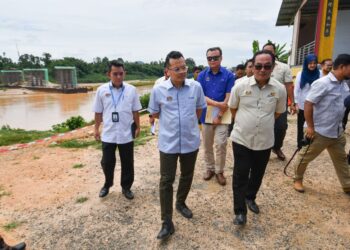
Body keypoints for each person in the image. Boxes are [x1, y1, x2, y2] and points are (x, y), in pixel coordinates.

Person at [148, 51, 206, 240]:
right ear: (168, 71)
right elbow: (155, 114)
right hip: (168, 143)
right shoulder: (158, 90)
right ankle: (166, 222)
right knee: (166, 181)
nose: (182, 71)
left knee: (187, 175)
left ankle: (180, 203)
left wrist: (187, 125)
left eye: (184, 67)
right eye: (177, 68)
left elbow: (199, 110)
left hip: (190, 141)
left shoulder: (196, 87)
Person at [229, 50, 286, 225]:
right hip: (242, 139)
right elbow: (233, 109)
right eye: (258, 66)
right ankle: (240, 211)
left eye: (267, 66)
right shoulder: (240, 86)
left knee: (258, 173)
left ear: (273, 67)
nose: (262, 69)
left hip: (265, 140)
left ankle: (250, 197)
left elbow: (277, 113)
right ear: (252, 67)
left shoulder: (279, 89)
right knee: (240, 174)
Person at [293, 54, 350, 194]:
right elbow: (308, 104)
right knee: (305, 157)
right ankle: (297, 179)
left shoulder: (344, 84)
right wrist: (310, 127)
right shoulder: (323, 83)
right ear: (342, 67)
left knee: (341, 159)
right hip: (320, 131)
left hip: (336, 131)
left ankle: (347, 185)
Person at [93, 61, 142, 199]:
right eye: (115, 74)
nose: (119, 77)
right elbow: (98, 112)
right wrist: (96, 128)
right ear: (109, 74)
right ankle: (107, 184)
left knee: (128, 162)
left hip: (126, 133)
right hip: (108, 134)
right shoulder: (101, 90)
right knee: (107, 162)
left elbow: (135, 111)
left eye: (121, 73)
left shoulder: (131, 90)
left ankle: (126, 187)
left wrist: (138, 126)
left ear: (124, 73)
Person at [197, 47, 235, 185]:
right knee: (207, 145)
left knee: (221, 144)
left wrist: (219, 112)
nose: (212, 60)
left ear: (221, 58)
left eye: (215, 57)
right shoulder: (201, 75)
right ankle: (210, 168)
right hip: (206, 114)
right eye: (209, 58)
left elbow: (228, 97)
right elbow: (201, 96)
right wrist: (218, 104)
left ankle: (219, 171)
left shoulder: (229, 75)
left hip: (223, 114)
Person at [263, 42, 296, 161]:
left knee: (281, 127)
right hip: (263, 102)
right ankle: (263, 151)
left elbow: (289, 85)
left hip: (279, 102)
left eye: (270, 51)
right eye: (265, 51)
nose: (268, 53)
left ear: (274, 52)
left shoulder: (283, 67)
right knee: (263, 126)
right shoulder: (259, 65)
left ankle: (277, 147)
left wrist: (292, 102)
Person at [294, 54, 320, 149]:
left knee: (312, 125)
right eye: (310, 63)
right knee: (301, 126)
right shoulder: (300, 74)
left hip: (315, 104)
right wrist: (296, 103)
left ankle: (309, 143)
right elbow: (296, 89)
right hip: (302, 104)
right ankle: (300, 144)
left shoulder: (320, 74)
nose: (312, 65)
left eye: (314, 63)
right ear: (306, 64)